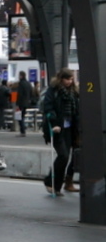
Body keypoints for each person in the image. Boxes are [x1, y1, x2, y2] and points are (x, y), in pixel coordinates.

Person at [40, 68, 80, 196]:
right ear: (61, 79)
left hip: (70, 129)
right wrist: (55, 123)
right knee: (63, 155)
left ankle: (57, 186)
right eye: (67, 79)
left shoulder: (73, 92)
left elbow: (77, 110)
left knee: (67, 157)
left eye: (71, 79)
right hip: (57, 128)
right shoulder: (53, 90)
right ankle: (50, 182)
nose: (69, 81)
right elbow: (48, 107)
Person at [15, 71, 35, 137]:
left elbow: (19, 94)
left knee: (20, 117)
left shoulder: (21, 84)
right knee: (22, 116)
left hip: (21, 102)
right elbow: (31, 93)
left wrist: (17, 103)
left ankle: (22, 131)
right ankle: (23, 130)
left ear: (21, 76)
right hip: (26, 103)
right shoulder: (28, 83)